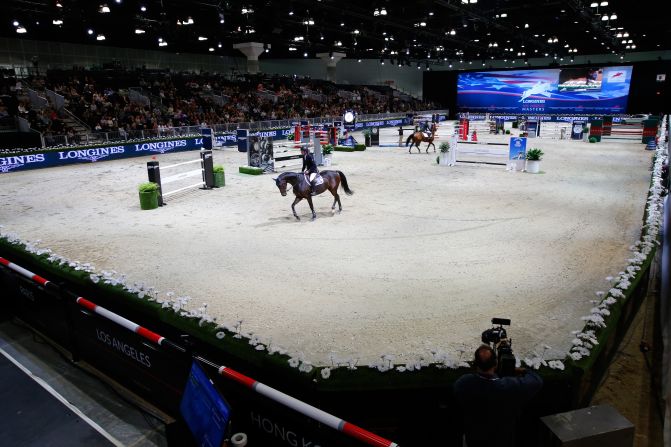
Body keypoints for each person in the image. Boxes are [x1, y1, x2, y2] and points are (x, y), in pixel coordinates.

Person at [453, 345, 543, 447]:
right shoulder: (509, 386)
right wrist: (522, 370)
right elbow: (537, 381)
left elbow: (461, 386)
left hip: (474, 439)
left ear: (475, 364)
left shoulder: (464, 383)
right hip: (502, 440)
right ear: (496, 363)